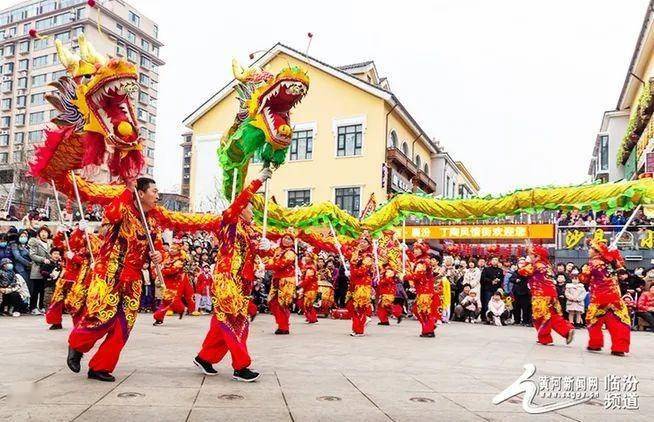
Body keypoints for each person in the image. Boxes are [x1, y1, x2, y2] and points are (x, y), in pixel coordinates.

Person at [66, 178, 166, 382]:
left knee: (124, 326)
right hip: (111, 273)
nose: (157, 196)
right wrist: (126, 192)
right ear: (140, 193)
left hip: (134, 279)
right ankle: (76, 345)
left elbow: (157, 247)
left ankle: (100, 367)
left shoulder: (153, 222)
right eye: (154, 191)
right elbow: (110, 217)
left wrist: (159, 256)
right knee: (102, 317)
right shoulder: (123, 209)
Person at [193, 168, 271, 382]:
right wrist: (257, 182)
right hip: (227, 279)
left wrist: (267, 246)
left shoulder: (250, 230)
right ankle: (241, 366)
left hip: (243, 282)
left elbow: (259, 251)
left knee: (223, 322)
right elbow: (237, 203)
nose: (253, 211)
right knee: (237, 322)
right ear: (240, 209)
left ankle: (205, 358)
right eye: (249, 207)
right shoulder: (229, 222)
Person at [580, 240, 631, 356]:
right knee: (619, 322)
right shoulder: (610, 262)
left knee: (593, 321)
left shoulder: (594, 262)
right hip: (614, 297)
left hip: (599, 297)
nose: (589, 251)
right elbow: (622, 268)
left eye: (591, 248)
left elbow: (584, 279)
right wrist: (614, 254)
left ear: (596, 251)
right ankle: (619, 348)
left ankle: (595, 344)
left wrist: (583, 271)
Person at [518, 245, 574, 346]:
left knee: (539, 316)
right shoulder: (546, 265)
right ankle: (567, 330)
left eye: (530, 254)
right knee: (552, 314)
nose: (529, 256)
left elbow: (522, 271)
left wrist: (526, 262)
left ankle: (545, 338)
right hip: (551, 293)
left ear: (537, 256)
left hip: (541, 294)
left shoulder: (536, 265)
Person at [45, 227, 86, 329]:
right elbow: (57, 243)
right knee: (57, 300)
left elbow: (86, 263)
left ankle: (79, 324)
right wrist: (59, 232)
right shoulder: (66, 247)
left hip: (78, 279)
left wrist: (75, 257)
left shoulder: (86, 248)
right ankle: (55, 321)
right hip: (65, 277)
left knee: (76, 303)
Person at [153, 243, 195, 325]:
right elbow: (159, 258)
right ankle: (159, 317)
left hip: (175, 283)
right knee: (165, 301)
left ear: (178, 250)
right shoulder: (166, 255)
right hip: (166, 281)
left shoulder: (179, 260)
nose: (171, 250)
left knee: (170, 300)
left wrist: (161, 270)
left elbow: (172, 270)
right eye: (171, 248)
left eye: (174, 249)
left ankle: (180, 309)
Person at [264, 230, 297, 334]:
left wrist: (266, 266)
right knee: (272, 301)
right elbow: (272, 260)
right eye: (285, 238)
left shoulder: (291, 253)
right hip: (277, 278)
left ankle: (284, 326)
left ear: (292, 242)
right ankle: (281, 323)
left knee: (282, 304)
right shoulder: (278, 250)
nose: (286, 240)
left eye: (289, 239)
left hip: (286, 280)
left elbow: (282, 264)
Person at [405, 241, 439, 337]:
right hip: (423, 289)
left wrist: (404, 277)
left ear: (422, 250)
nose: (415, 251)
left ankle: (429, 330)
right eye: (414, 249)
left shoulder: (423, 261)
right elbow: (414, 260)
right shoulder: (422, 260)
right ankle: (429, 327)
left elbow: (417, 275)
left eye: (417, 249)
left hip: (425, 290)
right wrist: (407, 251)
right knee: (417, 309)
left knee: (423, 311)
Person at [345, 231, 375, 337]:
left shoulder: (368, 257)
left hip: (363, 284)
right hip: (354, 283)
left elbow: (361, 271)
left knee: (359, 307)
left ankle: (359, 329)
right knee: (351, 305)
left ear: (369, 245)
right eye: (361, 242)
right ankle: (356, 327)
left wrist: (352, 272)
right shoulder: (357, 253)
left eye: (364, 242)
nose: (362, 244)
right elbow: (347, 254)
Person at [28, 225, 53, 314]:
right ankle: (33, 307)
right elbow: (32, 255)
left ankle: (42, 306)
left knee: (44, 289)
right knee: (36, 289)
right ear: (38, 234)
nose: (43, 234)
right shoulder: (36, 243)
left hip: (47, 270)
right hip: (37, 268)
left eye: (45, 232)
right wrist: (43, 259)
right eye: (41, 232)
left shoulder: (50, 243)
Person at [509, 257, 531, 326]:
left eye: (523, 263)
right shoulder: (516, 272)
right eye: (520, 263)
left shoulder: (528, 272)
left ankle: (525, 321)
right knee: (516, 307)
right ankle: (517, 320)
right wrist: (516, 280)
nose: (521, 264)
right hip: (516, 292)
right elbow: (511, 279)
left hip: (525, 292)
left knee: (526, 307)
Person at [10, 230, 32, 295]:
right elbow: (17, 256)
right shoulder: (15, 245)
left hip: (30, 269)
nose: (23, 238)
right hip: (20, 268)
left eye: (25, 236)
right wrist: (28, 263)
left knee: (30, 286)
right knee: (23, 284)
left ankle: (30, 303)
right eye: (21, 236)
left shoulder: (28, 246)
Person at [298, 258, 318, 324]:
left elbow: (308, 279)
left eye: (308, 256)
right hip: (307, 288)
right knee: (305, 303)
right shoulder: (307, 267)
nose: (306, 258)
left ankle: (312, 318)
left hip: (311, 288)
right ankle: (311, 317)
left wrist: (300, 285)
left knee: (307, 304)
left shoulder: (310, 269)